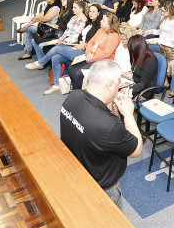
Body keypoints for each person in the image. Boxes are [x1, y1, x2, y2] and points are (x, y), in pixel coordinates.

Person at [60, 59, 142, 205]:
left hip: (79, 172)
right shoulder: (108, 126)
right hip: (103, 187)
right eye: (119, 82)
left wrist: (113, 112)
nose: (119, 86)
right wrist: (128, 114)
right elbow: (136, 150)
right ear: (111, 84)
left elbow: (108, 134)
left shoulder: (73, 96)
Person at [66, 13, 123, 91]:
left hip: (103, 62)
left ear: (109, 24)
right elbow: (91, 42)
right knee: (71, 68)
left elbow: (106, 54)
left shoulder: (114, 36)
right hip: (91, 57)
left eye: (103, 20)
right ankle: (77, 88)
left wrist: (92, 58)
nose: (100, 21)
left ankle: (78, 93)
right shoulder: (101, 30)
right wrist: (88, 53)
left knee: (79, 74)